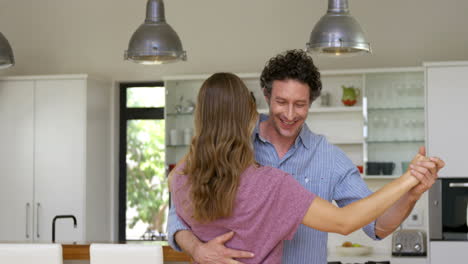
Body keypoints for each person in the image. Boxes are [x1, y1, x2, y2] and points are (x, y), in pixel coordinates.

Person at [168, 51, 444, 264]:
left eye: (300, 104)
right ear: (264, 98)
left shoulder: (330, 159)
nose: (289, 114)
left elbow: (377, 227)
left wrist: (410, 192)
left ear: (311, 102)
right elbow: (177, 217)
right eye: (281, 102)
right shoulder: (263, 176)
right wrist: (198, 249)